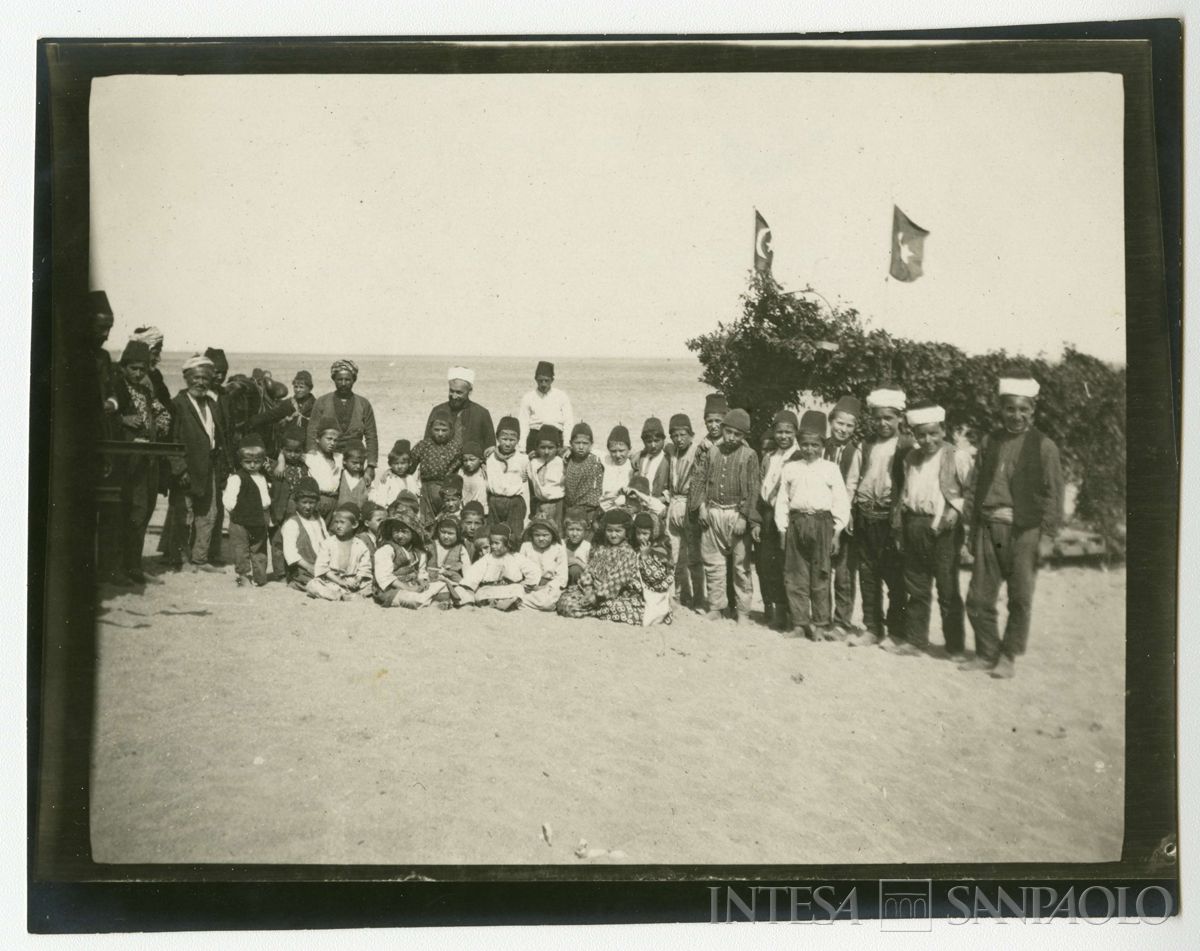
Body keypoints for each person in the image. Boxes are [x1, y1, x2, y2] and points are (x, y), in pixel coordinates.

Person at [961, 371, 1065, 679]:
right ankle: (986, 652)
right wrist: (971, 527)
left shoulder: (1045, 447)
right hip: (988, 528)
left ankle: (1008, 655)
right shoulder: (989, 441)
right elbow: (975, 485)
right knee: (979, 597)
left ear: (1032, 411)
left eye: (1023, 410)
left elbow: (1054, 495)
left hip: (1024, 532)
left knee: (1020, 597)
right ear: (1001, 409)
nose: (1016, 416)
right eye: (1010, 409)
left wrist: (1046, 537)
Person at [886, 402, 974, 659]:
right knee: (916, 585)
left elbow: (971, 491)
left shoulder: (956, 456)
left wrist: (955, 511)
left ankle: (955, 646)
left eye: (933, 433)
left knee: (947, 589)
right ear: (914, 435)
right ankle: (916, 641)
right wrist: (900, 527)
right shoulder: (910, 458)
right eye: (921, 434)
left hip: (944, 528)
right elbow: (904, 493)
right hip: (915, 524)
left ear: (943, 431)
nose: (927, 440)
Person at [772, 410, 851, 639]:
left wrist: (837, 532)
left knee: (821, 576)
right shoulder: (791, 468)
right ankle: (799, 623)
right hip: (796, 524)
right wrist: (781, 529)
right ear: (799, 443)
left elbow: (841, 502)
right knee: (795, 575)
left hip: (822, 524)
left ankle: (820, 623)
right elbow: (782, 501)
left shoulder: (830, 469)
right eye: (805, 444)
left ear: (822, 445)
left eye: (815, 445)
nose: (809, 449)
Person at [848, 386, 911, 647]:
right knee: (868, 574)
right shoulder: (866, 445)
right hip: (866, 515)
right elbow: (854, 479)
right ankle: (873, 627)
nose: (883, 423)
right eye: (877, 418)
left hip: (890, 518)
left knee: (895, 576)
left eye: (889, 417)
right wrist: (851, 510)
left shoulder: (907, 446)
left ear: (900, 418)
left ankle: (896, 630)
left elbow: (909, 484)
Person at [689, 408, 760, 622]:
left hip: (736, 515)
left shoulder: (749, 455)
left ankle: (743, 611)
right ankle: (717, 607)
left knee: (741, 567)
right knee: (713, 563)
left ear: (744, 436)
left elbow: (753, 488)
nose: (731, 437)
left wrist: (743, 517)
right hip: (713, 513)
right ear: (722, 430)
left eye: (737, 434)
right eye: (728, 432)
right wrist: (701, 507)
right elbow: (699, 480)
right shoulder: (712, 452)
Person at [110, 339, 172, 583]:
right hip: (125, 462)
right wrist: (123, 420)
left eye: (142, 369)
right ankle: (120, 568)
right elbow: (100, 416)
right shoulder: (115, 387)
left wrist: (160, 424)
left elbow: (162, 411)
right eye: (133, 368)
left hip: (148, 460)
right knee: (129, 512)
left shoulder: (146, 390)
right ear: (123, 367)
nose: (138, 373)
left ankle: (133, 565)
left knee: (144, 511)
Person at [163, 354, 227, 573]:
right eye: (196, 378)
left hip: (209, 467)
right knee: (183, 513)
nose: (201, 383)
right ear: (186, 378)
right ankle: (178, 557)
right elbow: (171, 440)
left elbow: (218, 436)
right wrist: (179, 468)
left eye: (205, 379)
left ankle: (200, 558)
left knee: (209, 513)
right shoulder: (177, 404)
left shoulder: (211, 404)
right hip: (187, 468)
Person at [557, 509, 647, 625]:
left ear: (626, 531)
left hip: (612, 594)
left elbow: (618, 580)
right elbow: (589, 570)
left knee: (620, 609)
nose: (613, 535)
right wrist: (588, 590)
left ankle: (597, 609)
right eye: (609, 530)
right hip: (591, 591)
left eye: (618, 531)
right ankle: (597, 610)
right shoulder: (601, 548)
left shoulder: (628, 553)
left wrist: (596, 596)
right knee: (565, 602)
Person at [755, 410, 801, 629]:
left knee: (787, 565)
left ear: (795, 433)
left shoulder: (799, 456)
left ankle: (793, 615)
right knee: (768, 565)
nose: (783, 436)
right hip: (767, 517)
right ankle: (777, 611)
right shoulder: (769, 457)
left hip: (788, 517)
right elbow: (761, 486)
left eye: (788, 432)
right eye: (779, 431)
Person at [824, 395, 863, 633]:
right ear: (831, 422)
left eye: (849, 426)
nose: (843, 429)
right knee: (822, 569)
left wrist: (847, 513)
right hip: (822, 516)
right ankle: (822, 617)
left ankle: (842, 620)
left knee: (844, 573)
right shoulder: (821, 447)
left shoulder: (856, 452)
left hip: (847, 519)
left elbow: (856, 486)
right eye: (840, 423)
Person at [306, 359, 380, 482]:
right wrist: (313, 458)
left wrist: (371, 465)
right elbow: (312, 431)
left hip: (355, 460)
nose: (344, 383)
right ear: (334, 379)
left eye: (348, 380)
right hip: (328, 458)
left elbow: (371, 436)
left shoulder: (364, 404)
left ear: (354, 380)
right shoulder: (322, 402)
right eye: (340, 379)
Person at [663, 412, 704, 610]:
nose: (679, 439)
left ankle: (698, 598)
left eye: (683, 435)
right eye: (675, 435)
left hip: (690, 505)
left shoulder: (697, 450)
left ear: (691, 435)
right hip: (674, 504)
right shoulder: (671, 451)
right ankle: (680, 595)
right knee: (674, 555)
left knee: (693, 556)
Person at [221, 434, 274, 587]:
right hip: (241, 519)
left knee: (259, 547)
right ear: (241, 461)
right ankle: (243, 575)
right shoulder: (237, 478)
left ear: (262, 462)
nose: (252, 465)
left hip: (260, 517)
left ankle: (260, 575)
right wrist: (235, 511)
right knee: (240, 548)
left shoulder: (263, 477)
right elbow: (229, 499)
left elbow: (265, 498)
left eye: (256, 462)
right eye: (248, 462)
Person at [454, 524, 539, 611]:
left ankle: (507, 601)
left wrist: (526, 584)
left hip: (510, 587)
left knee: (518, 589)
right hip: (490, 587)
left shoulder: (516, 557)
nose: (493, 546)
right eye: (491, 543)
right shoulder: (487, 558)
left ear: (508, 543)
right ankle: (495, 602)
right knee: (480, 593)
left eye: (496, 543)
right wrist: (469, 586)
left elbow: (533, 570)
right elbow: (475, 573)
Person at [306, 501, 373, 600]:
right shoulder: (327, 543)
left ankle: (352, 594)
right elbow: (322, 568)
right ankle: (340, 596)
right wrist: (340, 582)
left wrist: (357, 580)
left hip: (352, 581)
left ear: (354, 525)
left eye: (342, 522)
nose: (338, 526)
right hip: (332, 581)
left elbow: (365, 568)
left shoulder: (360, 545)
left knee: (371, 585)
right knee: (312, 585)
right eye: (336, 522)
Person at [410, 408, 463, 526]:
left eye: (444, 430)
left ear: (451, 430)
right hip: (426, 491)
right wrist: (390, 471)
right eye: (436, 430)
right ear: (430, 430)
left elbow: (468, 463)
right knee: (427, 523)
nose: (440, 433)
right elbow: (408, 465)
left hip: (447, 491)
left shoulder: (456, 447)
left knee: (446, 521)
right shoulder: (423, 445)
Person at [425, 365, 496, 453]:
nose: (454, 396)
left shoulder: (482, 413)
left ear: (470, 391)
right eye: (451, 391)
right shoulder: (437, 411)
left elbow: (490, 447)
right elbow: (426, 444)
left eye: (459, 392)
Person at [373, 512, 436, 608]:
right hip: (392, 588)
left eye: (404, 531)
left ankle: (428, 599)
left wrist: (422, 580)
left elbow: (421, 570)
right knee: (412, 599)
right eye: (396, 531)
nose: (399, 535)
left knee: (441, 587)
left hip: (412, 583)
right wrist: (408, 588)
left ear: (413, 533)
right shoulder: (387, 549)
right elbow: (385, 577)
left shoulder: (418, 551)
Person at [280, 476, 328, 590]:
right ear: (296, 502)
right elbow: (290, 554)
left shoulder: (318, 518)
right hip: (303, 569)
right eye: (304, 502)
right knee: (319, 586)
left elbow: (326, 540)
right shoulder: (292, 523)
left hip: (319, 564)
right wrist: (310, 567)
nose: (308, 506)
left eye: (312, 503)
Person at [517, 360, 574, 454]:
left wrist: (567, 444)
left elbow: (568, 421)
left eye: (546, 380)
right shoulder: (528, 397)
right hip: (535, 437)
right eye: (540, 380)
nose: (543, 384)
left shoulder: (561, 396)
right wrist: (522, 447)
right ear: (535, 379)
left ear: (552, 380)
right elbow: (523, 423)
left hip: (556, 437)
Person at [485, 416, 529, 536]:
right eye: (504, 439)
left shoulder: (523, 459)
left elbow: (526, 476)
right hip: (494, 500)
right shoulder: (490, 457)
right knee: (493, 532)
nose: (508, 443)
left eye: (512, 440)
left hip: (514, 502)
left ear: (518, 440)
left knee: (514, 533)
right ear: (497, 438)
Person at [518, 514, 569, 611]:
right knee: (514, 591)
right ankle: (521, 601)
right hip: (529, 586)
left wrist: (545, 586)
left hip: (548, 586)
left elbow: (562, 577)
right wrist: (524, 583)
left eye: (545, 535)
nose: (541, 539)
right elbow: (519, 569)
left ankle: (520, 602)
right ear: (532, 535)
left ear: (552, 534)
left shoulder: (558, 547)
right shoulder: (526, 546)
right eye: (537, 535)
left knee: (547, 602)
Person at [633, 511, 674, 626]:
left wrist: (645, 557)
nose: (641, 537)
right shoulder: (638, 547)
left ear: (653, 532)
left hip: (655, 595)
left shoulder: (661, 550)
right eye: (638, 533)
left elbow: (657, 578)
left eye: (645, 533)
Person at [563, 422, 604, 528]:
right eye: (577, 443)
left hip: (590, 510)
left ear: (591, 444)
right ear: (571, 443)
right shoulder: (567, 460)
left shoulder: (596, 460)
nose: (581, 447)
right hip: (571, 510)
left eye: (585, 443)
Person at [527, 425, 566, 530]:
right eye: (543, 447)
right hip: (539, 504)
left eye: (551, 448)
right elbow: (531, 485)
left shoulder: (561, 462)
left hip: (557, 504)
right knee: (541, 530)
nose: (546, 452)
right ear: (536, 448)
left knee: (557, 530)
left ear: (557, 447)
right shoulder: (533, 463)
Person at [305, 419, 344, 521]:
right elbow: (290, 455)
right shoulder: (311, 457)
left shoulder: (339, 457)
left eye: (335, 440)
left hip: (334, 501)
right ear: (318, 439)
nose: (332, 443)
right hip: (318, 500)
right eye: (329, 439)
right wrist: (281, 458)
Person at [426, 514, 469, 605]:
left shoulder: (460, 548)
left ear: (458, 534)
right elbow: (422, 564)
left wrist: (466, 583)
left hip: (451, 579)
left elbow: (467, 569)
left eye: (450, 533)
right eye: (443, 532)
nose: (446, 536)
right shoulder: (430, 545)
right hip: (431, 578)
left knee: (465, 596)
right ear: (438, 531)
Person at [368, 439, 421, 511]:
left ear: (409, 463)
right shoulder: (388, 478)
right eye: (396, 463)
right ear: (390, 464)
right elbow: (381, 499)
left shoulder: (410, 478)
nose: (399, 467)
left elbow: (416, 496)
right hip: (392, 512)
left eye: (403, 463)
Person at [599, 424, 634, 513]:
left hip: (624, 512)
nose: (617, 455)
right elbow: (590, 450)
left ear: (629, 449)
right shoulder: (606, 459)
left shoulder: (633, 465)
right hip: (605, 510)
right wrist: (568, 450)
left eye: (621, 450)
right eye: (613, 451)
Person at [336, 446, 372, 513]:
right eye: (354, 463)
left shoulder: (365, 479)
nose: (358, 466)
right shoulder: (339, 475)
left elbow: (371, 496)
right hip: (340, 514)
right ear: (344, 461)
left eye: (361, 464)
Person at [563, 508, 593, 587]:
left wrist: (577, 562)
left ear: (585, 531)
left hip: (581, 580)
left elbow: (591, 569)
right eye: (571, 529)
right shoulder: (561, 544)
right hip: (561, 578)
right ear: (566, 530)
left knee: (575, 570)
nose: (574, 533)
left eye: (579, 530)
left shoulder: (587, 546)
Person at [458, 440, 489, 513]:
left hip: (481, 510)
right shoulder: (461, 472)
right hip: (465, 509)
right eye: (465, 460)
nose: (468, 463)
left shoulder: (484, 472)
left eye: (472, 459)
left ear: (480, 459)